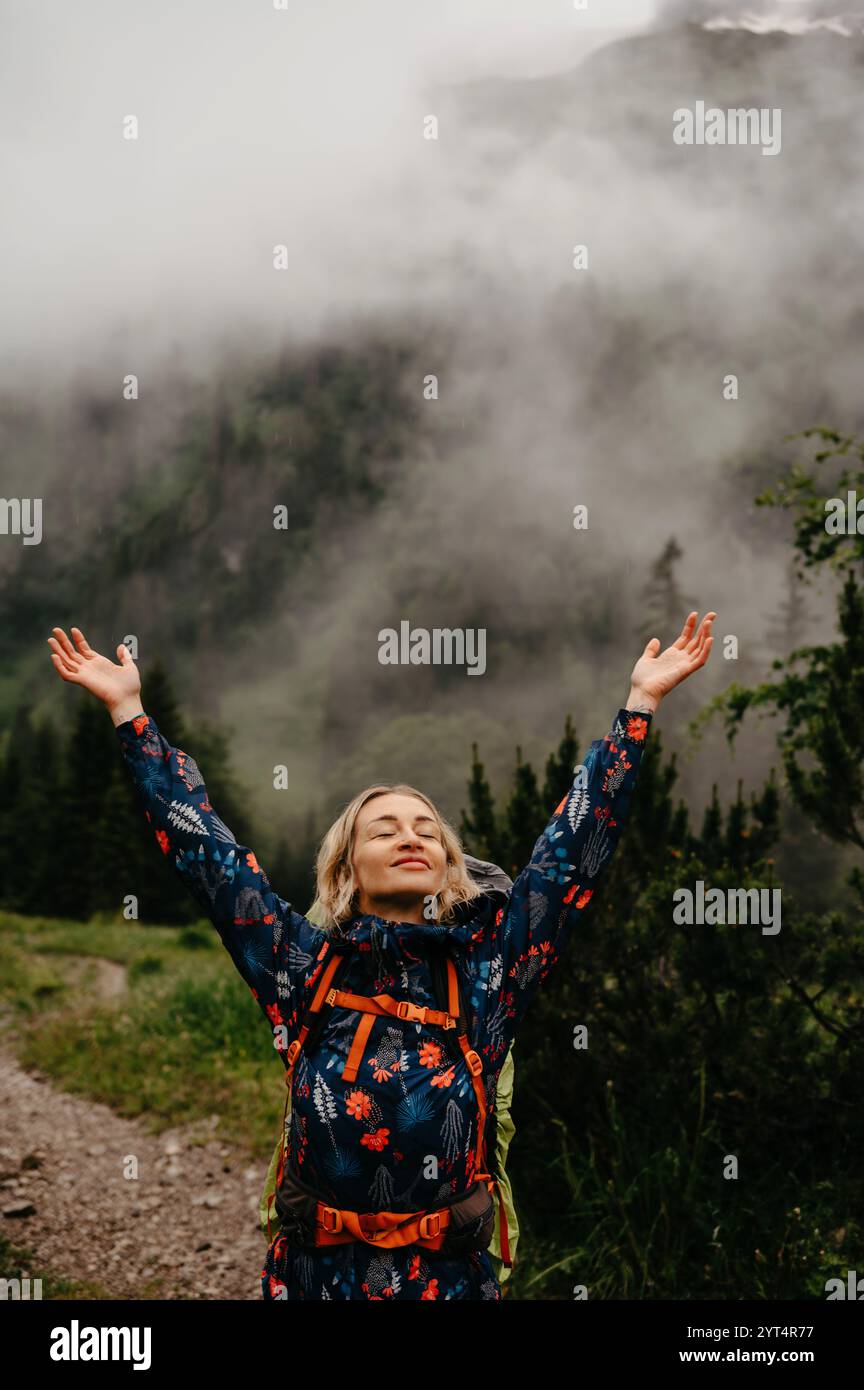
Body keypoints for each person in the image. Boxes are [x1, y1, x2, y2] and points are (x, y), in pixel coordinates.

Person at [46, 611, 715, 1301]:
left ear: (451, 871)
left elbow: (568, 857)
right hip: (314, 1277)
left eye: (428, 831)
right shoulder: (300, 967)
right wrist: (130, 715)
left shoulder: (488, 973)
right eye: (385, 829)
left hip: (448, 1282)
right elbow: (208, 858)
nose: (411, 837)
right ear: (346, 872)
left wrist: (640, 708)